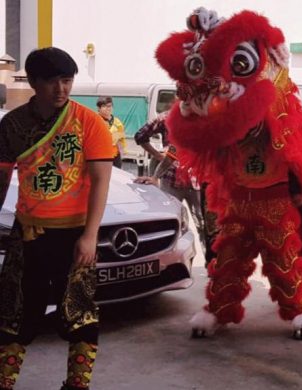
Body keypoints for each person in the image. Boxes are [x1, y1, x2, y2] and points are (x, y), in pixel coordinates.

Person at [0, 47, 114, 390]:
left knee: (79, 313)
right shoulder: (13, 125)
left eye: (67, 80)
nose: (62, 89)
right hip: (28, 233)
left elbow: (101, 180)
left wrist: (90, 236)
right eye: (52, 82)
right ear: (33, 82)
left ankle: (77, 385)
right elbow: (2, 178)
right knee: (13, 313)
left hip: (75, 234)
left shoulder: (88, 123)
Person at [133, 114, 210, 264]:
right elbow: (168, 156)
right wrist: (155, 173)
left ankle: (211, 262)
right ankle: (166, 261)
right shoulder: (167, 119)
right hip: (171, 181)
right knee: (169, 222)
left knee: (202, 223)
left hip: (196, 182)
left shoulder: (204, 118)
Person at [96, 96, 125, 168]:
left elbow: (120, 140)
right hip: (99, 156)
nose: (108, 108)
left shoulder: (117, 122)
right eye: (104, 106)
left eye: (110, 106)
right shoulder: (94, 121)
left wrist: (122, 154)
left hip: (115, 156)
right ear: (99, 108)